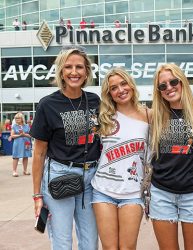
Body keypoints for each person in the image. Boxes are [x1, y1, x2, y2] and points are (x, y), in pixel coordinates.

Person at [30, 45, 101, 250]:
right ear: (61, 71)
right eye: (68, 67)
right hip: (60, 176)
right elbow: (39, 153)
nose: (74, 72)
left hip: (90, 178)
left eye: (79, 67)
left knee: (90, 242)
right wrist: (37, 196)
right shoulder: (48, 104)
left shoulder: (95, 101)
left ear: (87, 71)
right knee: (63, 243)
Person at [149, 63, 193, 250]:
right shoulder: (154, 116)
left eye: (173, 81)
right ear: (158, 91)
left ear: (182, 82)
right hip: (161, 193)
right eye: (163, 86)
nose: (169, 88)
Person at [91, 67, 150, 250]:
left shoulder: (150, 115)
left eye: (123, 84)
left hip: (133, 192)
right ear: (109, 93)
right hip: (102, 190)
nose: (120, 90)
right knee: (109, 248)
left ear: (131, 85)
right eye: (114, 88)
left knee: (127, 247)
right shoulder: (103, 117)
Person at [10, 112, 32, 177]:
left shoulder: (27, 126)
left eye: (18, 118)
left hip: (26, 143)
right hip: (17, 143)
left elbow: (31, 135)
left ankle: (25, 171)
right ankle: (14, 171)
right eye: (16, 118)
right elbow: (12, 135)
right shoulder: (14, 126)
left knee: (26, 156)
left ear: (22, 118)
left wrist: (24, 134)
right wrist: (20, 135)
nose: (17, 120)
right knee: (16, 157)